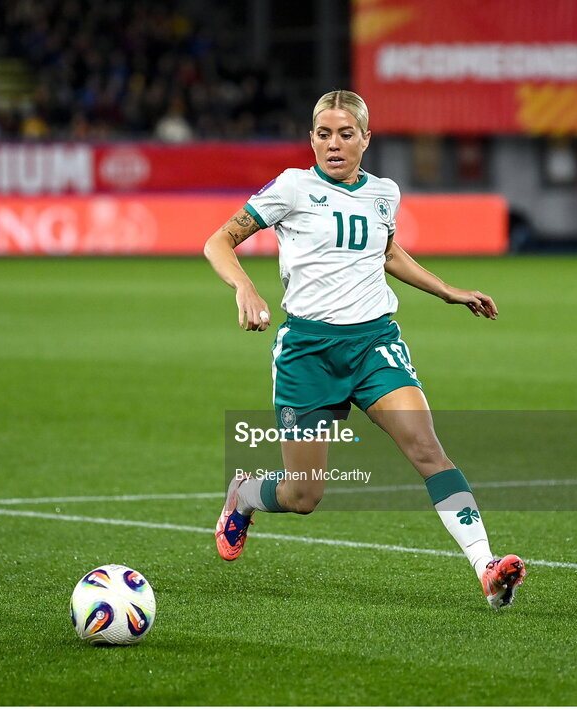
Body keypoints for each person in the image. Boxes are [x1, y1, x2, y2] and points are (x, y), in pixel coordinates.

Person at [203, 90, 526, 609]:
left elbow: (389, 252)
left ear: (365, 139)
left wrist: (449, 290)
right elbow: (218, 241)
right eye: (324, 134)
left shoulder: (383, 194)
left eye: (345, 134)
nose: (334, 144)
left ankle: (486, 566)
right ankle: (244, 494)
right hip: (308, 353)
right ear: (311, 139)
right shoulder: (291, 187)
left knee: (427, 448)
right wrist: (245, 288)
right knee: (304, 496)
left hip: (374, 343)